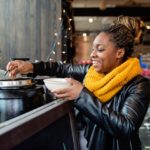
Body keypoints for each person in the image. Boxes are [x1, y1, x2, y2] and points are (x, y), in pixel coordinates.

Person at [6, 24, 150, 150]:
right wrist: (30, 66)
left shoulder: (138, 85)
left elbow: (126, 128)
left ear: (120, 52)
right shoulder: (91, 72)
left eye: (99, 50)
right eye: (93, 49)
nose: (92, 54)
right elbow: (62, 69)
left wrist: (81, 95)